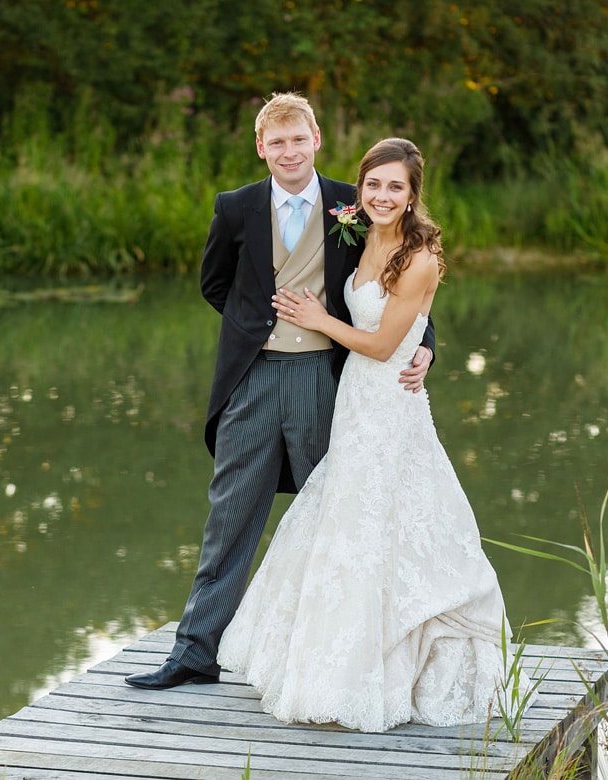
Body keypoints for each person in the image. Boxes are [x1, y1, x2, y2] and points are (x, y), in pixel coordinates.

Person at [124, 95, 436, 691]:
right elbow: (215, 284)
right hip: (254, 381)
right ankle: (194, 652)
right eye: (277, 143)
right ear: (261, 148)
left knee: (340, 516)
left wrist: (427, 346)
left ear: (316, 139)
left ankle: (338, 657)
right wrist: (258, 328)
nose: (289, 152)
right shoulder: (236, 208)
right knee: (231, 518)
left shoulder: (357, 200)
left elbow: (402, 283)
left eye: (299, 140)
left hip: (329, 381)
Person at [216, 137, 515, 732]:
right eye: (373, 184)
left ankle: (392, 669)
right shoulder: (352, 229)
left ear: (412, 195)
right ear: (361, 188)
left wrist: (328, 322)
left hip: (389, 403)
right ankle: (324, 663)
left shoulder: (420, 254)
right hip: (353, 402)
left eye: (394, 187)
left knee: (391, 518)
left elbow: (383, 344)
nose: (381, 196)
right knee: (349, 522)